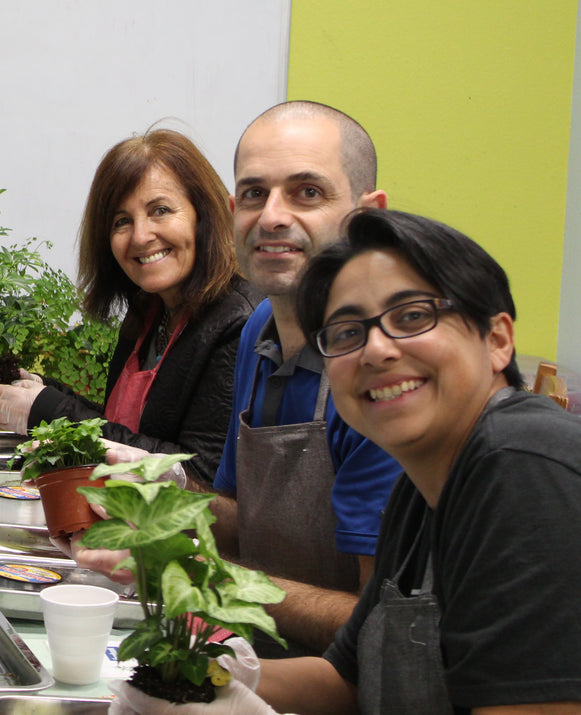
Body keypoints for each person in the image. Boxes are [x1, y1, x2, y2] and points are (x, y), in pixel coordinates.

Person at [119, 210, 581, 714]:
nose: (376, 350)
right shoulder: (418, 488)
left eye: (411, 317)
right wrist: (196, 679)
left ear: (496, 340)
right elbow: (346, 678)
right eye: (345, 333)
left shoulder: (522, 462)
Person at [72, 102, 403, 656]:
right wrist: (164, 488)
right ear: (230, 212)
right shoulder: (259, 331)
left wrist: (195, 571)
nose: (272, 216)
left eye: (307, 193)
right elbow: (241, 518)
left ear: (368, 217)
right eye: (254, 194)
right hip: (247, 647)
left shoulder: (387, 376)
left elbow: (380, 630)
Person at [0, 128, 258, 486]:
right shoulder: (150, 310)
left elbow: (195, 477)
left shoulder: (238, 323)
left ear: (205, 215)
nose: (140, 236)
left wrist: (47, 410)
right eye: (122, 221)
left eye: (160, 210)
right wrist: (43, 391)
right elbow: (123, 428)